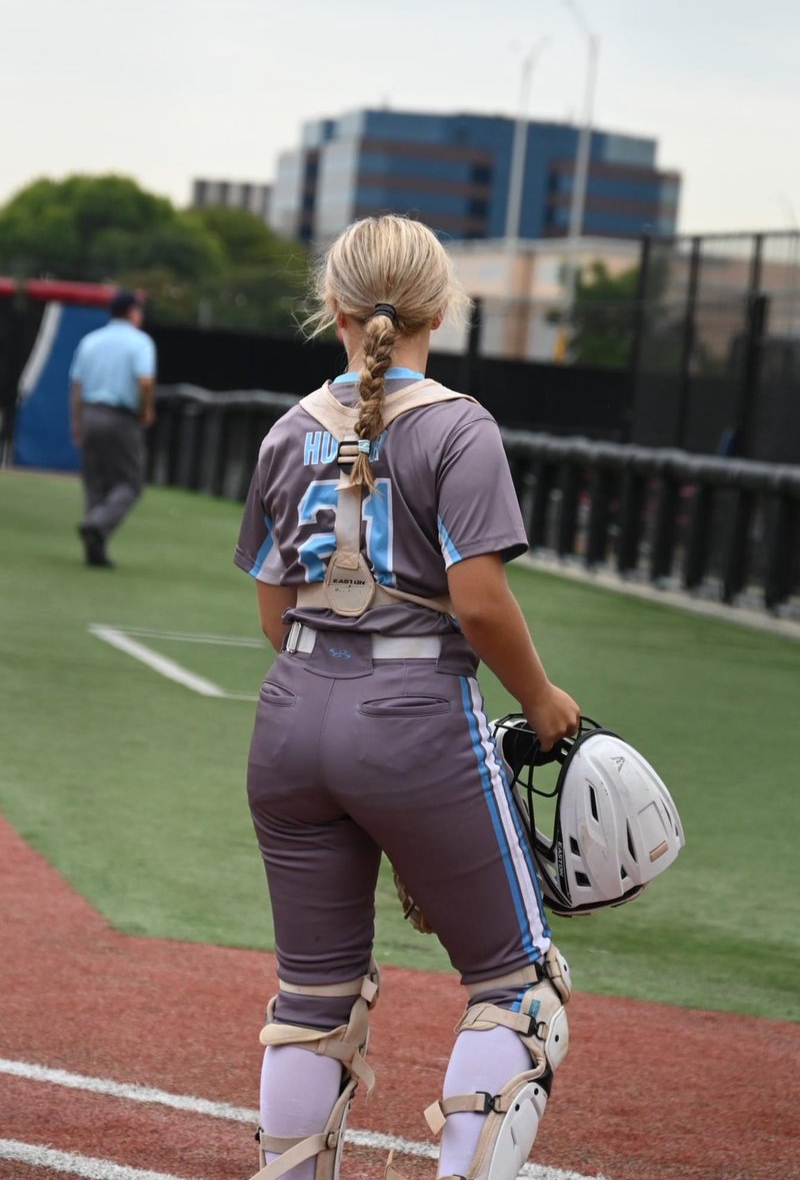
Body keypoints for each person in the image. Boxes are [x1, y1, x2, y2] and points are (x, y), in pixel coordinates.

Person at [234, 215, 580, 1180]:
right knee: (519, 990)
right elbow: (477, 601)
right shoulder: (460, 425)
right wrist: (543, 700)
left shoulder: (287, 429)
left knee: (312, 998)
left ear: (333, 310)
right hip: (415, 717)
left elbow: (273, 615)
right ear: (441, 308)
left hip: (290, 717)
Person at [69, 289, 156, 567]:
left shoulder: (90, 341)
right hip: (121, 417)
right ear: (131, 312)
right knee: (130, 483)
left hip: (92, 413)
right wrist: (146, 409)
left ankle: (95, 549)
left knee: (95, 483)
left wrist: (77, 422)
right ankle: (96, 524)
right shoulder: (140, 342)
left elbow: (77, 386)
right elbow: (144, 381)